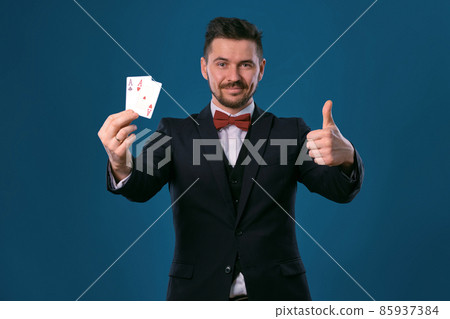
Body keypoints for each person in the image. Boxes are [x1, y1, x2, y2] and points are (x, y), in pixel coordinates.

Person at [97, 17, 364, 301]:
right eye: (222, 64)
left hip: (280, 297)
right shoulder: (172, 132)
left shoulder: (292, 132)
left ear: (261, 69)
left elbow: (339, 190)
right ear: (204, 68)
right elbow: (140, 187)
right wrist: (119, 162)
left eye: (245, 65)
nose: (233, 77)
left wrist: (347, 157)